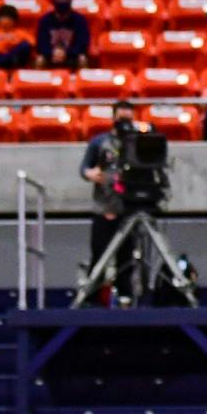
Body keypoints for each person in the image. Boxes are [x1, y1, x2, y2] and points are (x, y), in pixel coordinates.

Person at [80, 100, 142, 299]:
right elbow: (84, 168)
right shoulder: (99, 142)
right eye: (121, 118)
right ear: (113, 118)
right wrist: (90, 173)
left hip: (128, 209)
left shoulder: (137, 143)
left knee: (126, 257)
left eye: (128, 119)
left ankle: (125, 297)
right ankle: (92, 297)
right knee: (99, 255)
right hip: (103, 207)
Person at [35, 0, 91, 69]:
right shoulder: (45, 20)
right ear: (54, 0)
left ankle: (83, 82)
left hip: (72, 55)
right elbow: (41, 44)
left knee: (82, 59)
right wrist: (52, 52)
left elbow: (83, 44)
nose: (62, 2)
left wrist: (66, 53)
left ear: (71, 0)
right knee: (40, 60)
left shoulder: (80, 20)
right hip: (50, 55)